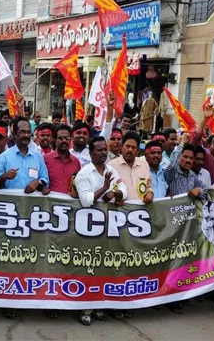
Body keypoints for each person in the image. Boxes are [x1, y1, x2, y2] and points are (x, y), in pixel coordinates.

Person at [0, 116, 49, 320]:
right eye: (21, 132)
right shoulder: (5, 157)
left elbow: (45, 179)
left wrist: (38, 184)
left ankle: (28, 297)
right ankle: (9, 301)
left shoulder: (37, 156)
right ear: (13, 135)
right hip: (11, 219)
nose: (25, 135)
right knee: (11, 260)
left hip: (33, 219)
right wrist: (4, 177)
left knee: (30, 258)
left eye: (27, 132)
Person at [74, 135, 126, 325]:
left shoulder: (111, 170)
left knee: (105, 268)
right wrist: (105, 188)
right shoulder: (84, 174)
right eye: (99, 150)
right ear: (91, 152)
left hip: (109, 230)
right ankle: (85, 309)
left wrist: (116, 192)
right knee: (90, 268)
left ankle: (98, 305)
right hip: (88, 231)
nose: (103, 153)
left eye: (105, 149)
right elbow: (86, 201)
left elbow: (125, 190)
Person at [110, 131, 154, 204]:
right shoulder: (111, 166)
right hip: (121, 212)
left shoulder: (144, 164)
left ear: (138, 150)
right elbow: (108, 191)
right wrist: (115, 199)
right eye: (127, 146)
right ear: (121, 147)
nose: (130, 150)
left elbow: (149, 186)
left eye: (133, 147)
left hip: (141, 211)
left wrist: (150, 194)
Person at [44, 124, 81, 196]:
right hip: (49, 204)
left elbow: (78, 184)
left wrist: (76, 192)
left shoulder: (76, 162)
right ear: (54, 140)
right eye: (61, 138)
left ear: (71, 140)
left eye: (67, 138)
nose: (64, 141)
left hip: (70, 205)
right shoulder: (45, 159)